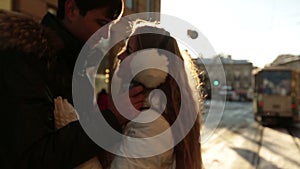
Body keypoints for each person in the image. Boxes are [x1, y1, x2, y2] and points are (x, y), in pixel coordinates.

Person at [56, 21, 203, 169]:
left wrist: (69, 130)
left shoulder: (152, 125)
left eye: (129, 51)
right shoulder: (139, 112)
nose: (120, 56)